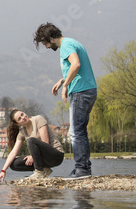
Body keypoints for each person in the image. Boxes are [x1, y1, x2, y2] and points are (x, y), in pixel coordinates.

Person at [33, 22, 97, 180]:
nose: (46, 47)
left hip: (81, 92)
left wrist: (66, 85)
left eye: (45, 43)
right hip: (88, 90)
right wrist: (63, 80)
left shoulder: (66, 45)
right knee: (80, 130)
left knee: (76, 132)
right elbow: (75, 68)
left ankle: (82, 169)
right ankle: (83, 168)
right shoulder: (72, 42)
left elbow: (76, 64)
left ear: (51, 38)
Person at [0, 109, 64, 184]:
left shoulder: (38, 119)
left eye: (22, 114)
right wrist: (3, 170)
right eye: (19, 119)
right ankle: (44, 170)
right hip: (44, 160)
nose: (23, 117)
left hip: (56, 156)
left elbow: (45, 143)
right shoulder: (22, 132)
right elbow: (13, 152)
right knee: (14, 164)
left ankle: (39, 172)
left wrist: (32, 157)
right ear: (17, 124)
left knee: (31, 141)